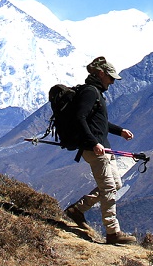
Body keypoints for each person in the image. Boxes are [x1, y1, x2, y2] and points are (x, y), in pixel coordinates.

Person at [63, 56, 137, 245]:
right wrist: (94, 142)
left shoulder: (96, 93)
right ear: (101, 74)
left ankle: (78, 210)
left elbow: (99, 123)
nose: (112, 82)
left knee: (116, 185)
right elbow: (80, 118)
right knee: (109, 188)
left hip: (104, 149)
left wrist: (119, 131)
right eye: (111, 78)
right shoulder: (89, 92)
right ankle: (113, 232)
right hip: (96, 149)